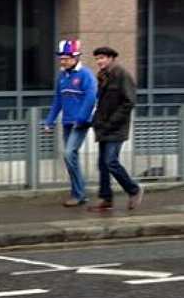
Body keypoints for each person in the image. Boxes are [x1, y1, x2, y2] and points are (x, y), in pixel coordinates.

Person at [43, 39, 97, 207]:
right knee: (70, 157)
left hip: (80, 123)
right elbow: (58, 100)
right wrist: (49, 121)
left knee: (68, 154)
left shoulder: (85, 75)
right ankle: (79, 193)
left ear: (75, 58)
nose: (62, 61)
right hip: (67, 122)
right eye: (61, 58)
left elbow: (91, 98)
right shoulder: (63, 76)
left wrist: (81, 119)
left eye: (65, 58)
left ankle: (79, 194)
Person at [89, 46, 143, 211]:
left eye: (102, 58)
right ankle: (106, 198)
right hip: (104, 127)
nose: (99, 61)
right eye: (97, 58)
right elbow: (102, 102)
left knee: (110, 162)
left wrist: (112, 121)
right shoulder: (103, 76)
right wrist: (96, 121)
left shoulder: (121, 75)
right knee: (103, 164)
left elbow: (129, 102)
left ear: (112, 58)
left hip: (116, 127)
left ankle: (134, 189)